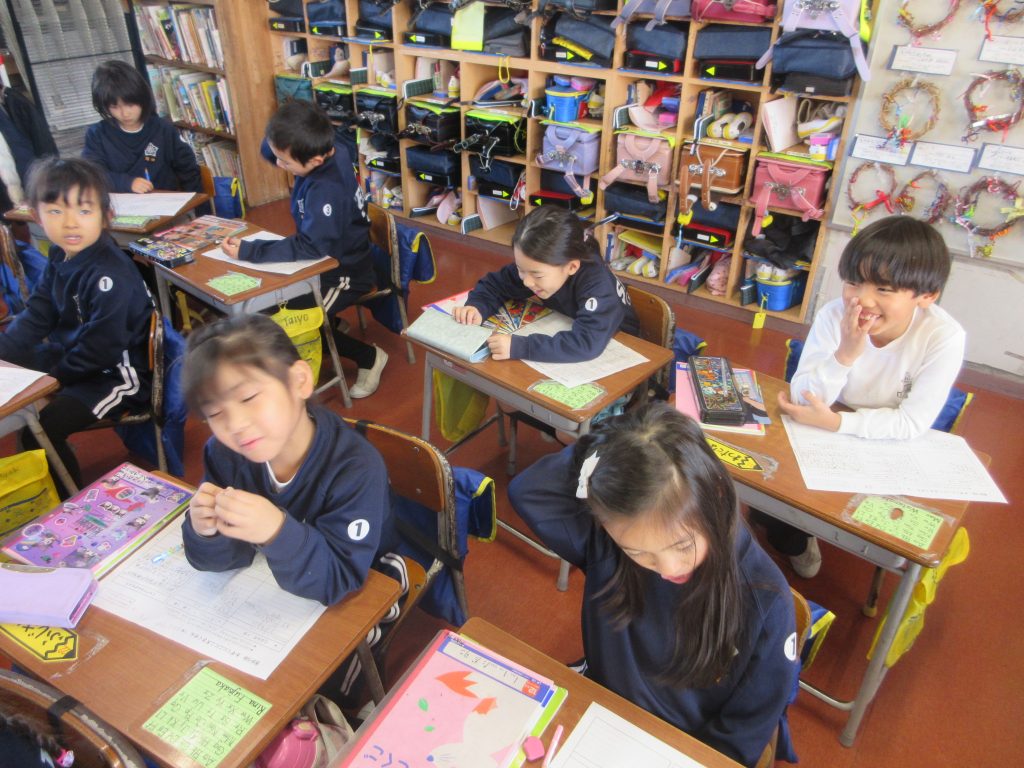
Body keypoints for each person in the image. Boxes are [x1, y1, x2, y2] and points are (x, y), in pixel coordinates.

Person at [508, 403, 799, 768]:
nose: (668, 568)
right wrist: (615, 445)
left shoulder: (765, 600)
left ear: (717, 496)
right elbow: (528, 491)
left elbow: (740, 737)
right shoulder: (606, 544)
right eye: (639, 553)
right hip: (603, 711)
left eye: (682, 545)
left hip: (683, 747)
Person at [179, 313, 403, 700]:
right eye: (215, 413)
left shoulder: (355, 467)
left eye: (249, 398)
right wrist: (206, 532)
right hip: (277, 589)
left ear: (299, 381)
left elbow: (341, 579)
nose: (236, 424)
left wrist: (276, 531)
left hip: (363, 577)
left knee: (324, 688)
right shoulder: (224, 453)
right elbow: (225, 559)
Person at [770, 215, 966, 577]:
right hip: (822, 430)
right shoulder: (834, 315)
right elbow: (803, 396)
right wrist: (845, 354)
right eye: (853, 282)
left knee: (886, 537)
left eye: (884, 289)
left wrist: (838, 422)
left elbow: (911, 422)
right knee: (773, 497)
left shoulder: (943, 337)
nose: (862, 299)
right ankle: (797, 544)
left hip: (883, 442)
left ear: (926, 296)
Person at [0, 157, 154, 493]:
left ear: (105, 216)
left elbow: (101, 351)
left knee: (42, 430)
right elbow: (38, 313)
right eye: (56, 211)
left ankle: (69, 505)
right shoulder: (60, 255)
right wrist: (5, 354)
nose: (70, 223)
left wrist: (52, 380)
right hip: (77, 358)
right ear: (36, 216)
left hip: (117, 376)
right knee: (17, 376)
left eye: (83, 211)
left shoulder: (110, 275)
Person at [219, 100, 387, 398]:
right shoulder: (326, 146)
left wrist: (250, 251)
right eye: (278, 157)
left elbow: (310, 246)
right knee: (273, 303)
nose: (278, 165)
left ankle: (369, 356)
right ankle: (331, 325)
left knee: (290, 321)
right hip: (320, 259)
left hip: (343, 273)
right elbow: (273, 148)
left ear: (316, 161)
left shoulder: (327, 189)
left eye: (285, 162)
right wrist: (280, 143)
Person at [453, 206, 639, 361]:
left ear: (571, 267)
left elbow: (586, 343)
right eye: (520, 269)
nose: (526, 281)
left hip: (621, 348)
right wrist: (477, 306)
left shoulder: (597, 285)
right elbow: (496, 285)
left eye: (537, 275)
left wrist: (520, 346)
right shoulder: (539, 264)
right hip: (573, 327)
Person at [82, 60, 202, 195]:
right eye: (114, 107)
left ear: (142, 98)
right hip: (121, 204)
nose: (125, 113)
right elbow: (92, 175)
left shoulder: (163, 129)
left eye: (130, 105)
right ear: (104, 107)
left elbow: (188, 170)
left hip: (164, 202)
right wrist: (127, 183)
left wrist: (197, 204)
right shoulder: (97, 134)